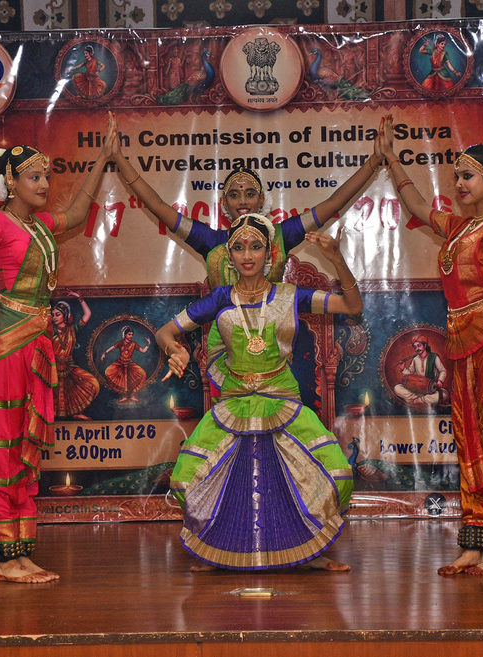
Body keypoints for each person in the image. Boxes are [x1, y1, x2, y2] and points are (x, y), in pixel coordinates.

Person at [0, 116, 118, 584]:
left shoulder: (40, 226)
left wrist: (103, 160)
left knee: (25, 450)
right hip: (5, 344)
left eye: (46, 176)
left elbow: (77, 213)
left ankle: (21, 553)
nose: (44, 184)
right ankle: (3, 556)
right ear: (10, 182)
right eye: (34, 177)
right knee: (2, 449)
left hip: (36, 344)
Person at [378, 116, 483, 575]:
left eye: (468, 176)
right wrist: (391, 160)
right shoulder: (457, 228)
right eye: (456, 176)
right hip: (462, 344)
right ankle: (473, 542)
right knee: (470, 440)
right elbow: (415, 202)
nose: (459, 184)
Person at [155, 212, 362, 572]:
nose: (247, 255)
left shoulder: (290, 296)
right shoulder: (220, 298)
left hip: (281, 399)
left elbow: (351, 305)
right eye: (238, 247)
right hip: (235, 402)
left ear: (270, 253)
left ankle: (310, 550)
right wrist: (176, 349)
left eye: (255, 247)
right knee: (189, 477)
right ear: (229, 255)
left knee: (334, 472)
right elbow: (165, 332)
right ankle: (214, 548)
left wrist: (337, 260)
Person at [108, 123, 384, 289]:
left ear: (261, 200)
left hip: (273, 347)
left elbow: (334, 202)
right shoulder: (211, 241)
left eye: (250, 194)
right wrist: (119, 159)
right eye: (235, 195)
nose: (242, 201)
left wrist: (374, 161)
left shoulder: (281, 236)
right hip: (225, 351)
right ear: (224, 204)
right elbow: (157, 205)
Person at [52, 294, 99, 419]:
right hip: (53, 368)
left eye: (57, 314)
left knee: (91, 384)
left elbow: (87, 314)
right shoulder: (50, 331)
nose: (54, 317)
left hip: (69, 366)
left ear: (65, 315)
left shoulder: (73, 330)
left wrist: (80, 298)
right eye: (53, 315)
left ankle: (76, 414)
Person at [100, 325, 152, 403]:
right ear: (125, 335)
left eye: (132, 334)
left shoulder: (134, 344)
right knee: (110, 372)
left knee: (142, 374)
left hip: (130, 363)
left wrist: (148, 344)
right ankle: (124, 397)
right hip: (120, 363)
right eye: (129, 334)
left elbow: (143, 351)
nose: (131, 336)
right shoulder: (120, 343)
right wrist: (104, 353)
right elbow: (112, 348)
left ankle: (132, 396)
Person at [393, 335, 449, 407]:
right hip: (417, 388)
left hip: (430, 389)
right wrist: (403, 368)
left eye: (419, 346)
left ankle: (417, 400)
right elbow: (410, 374)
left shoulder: (434, 357)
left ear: (424, 345)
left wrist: (440, 381)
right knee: (397, 388)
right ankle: (422, 399)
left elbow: (443, 370)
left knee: (444, 394)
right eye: (415, 347)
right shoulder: (415, 359)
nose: (417, 349)